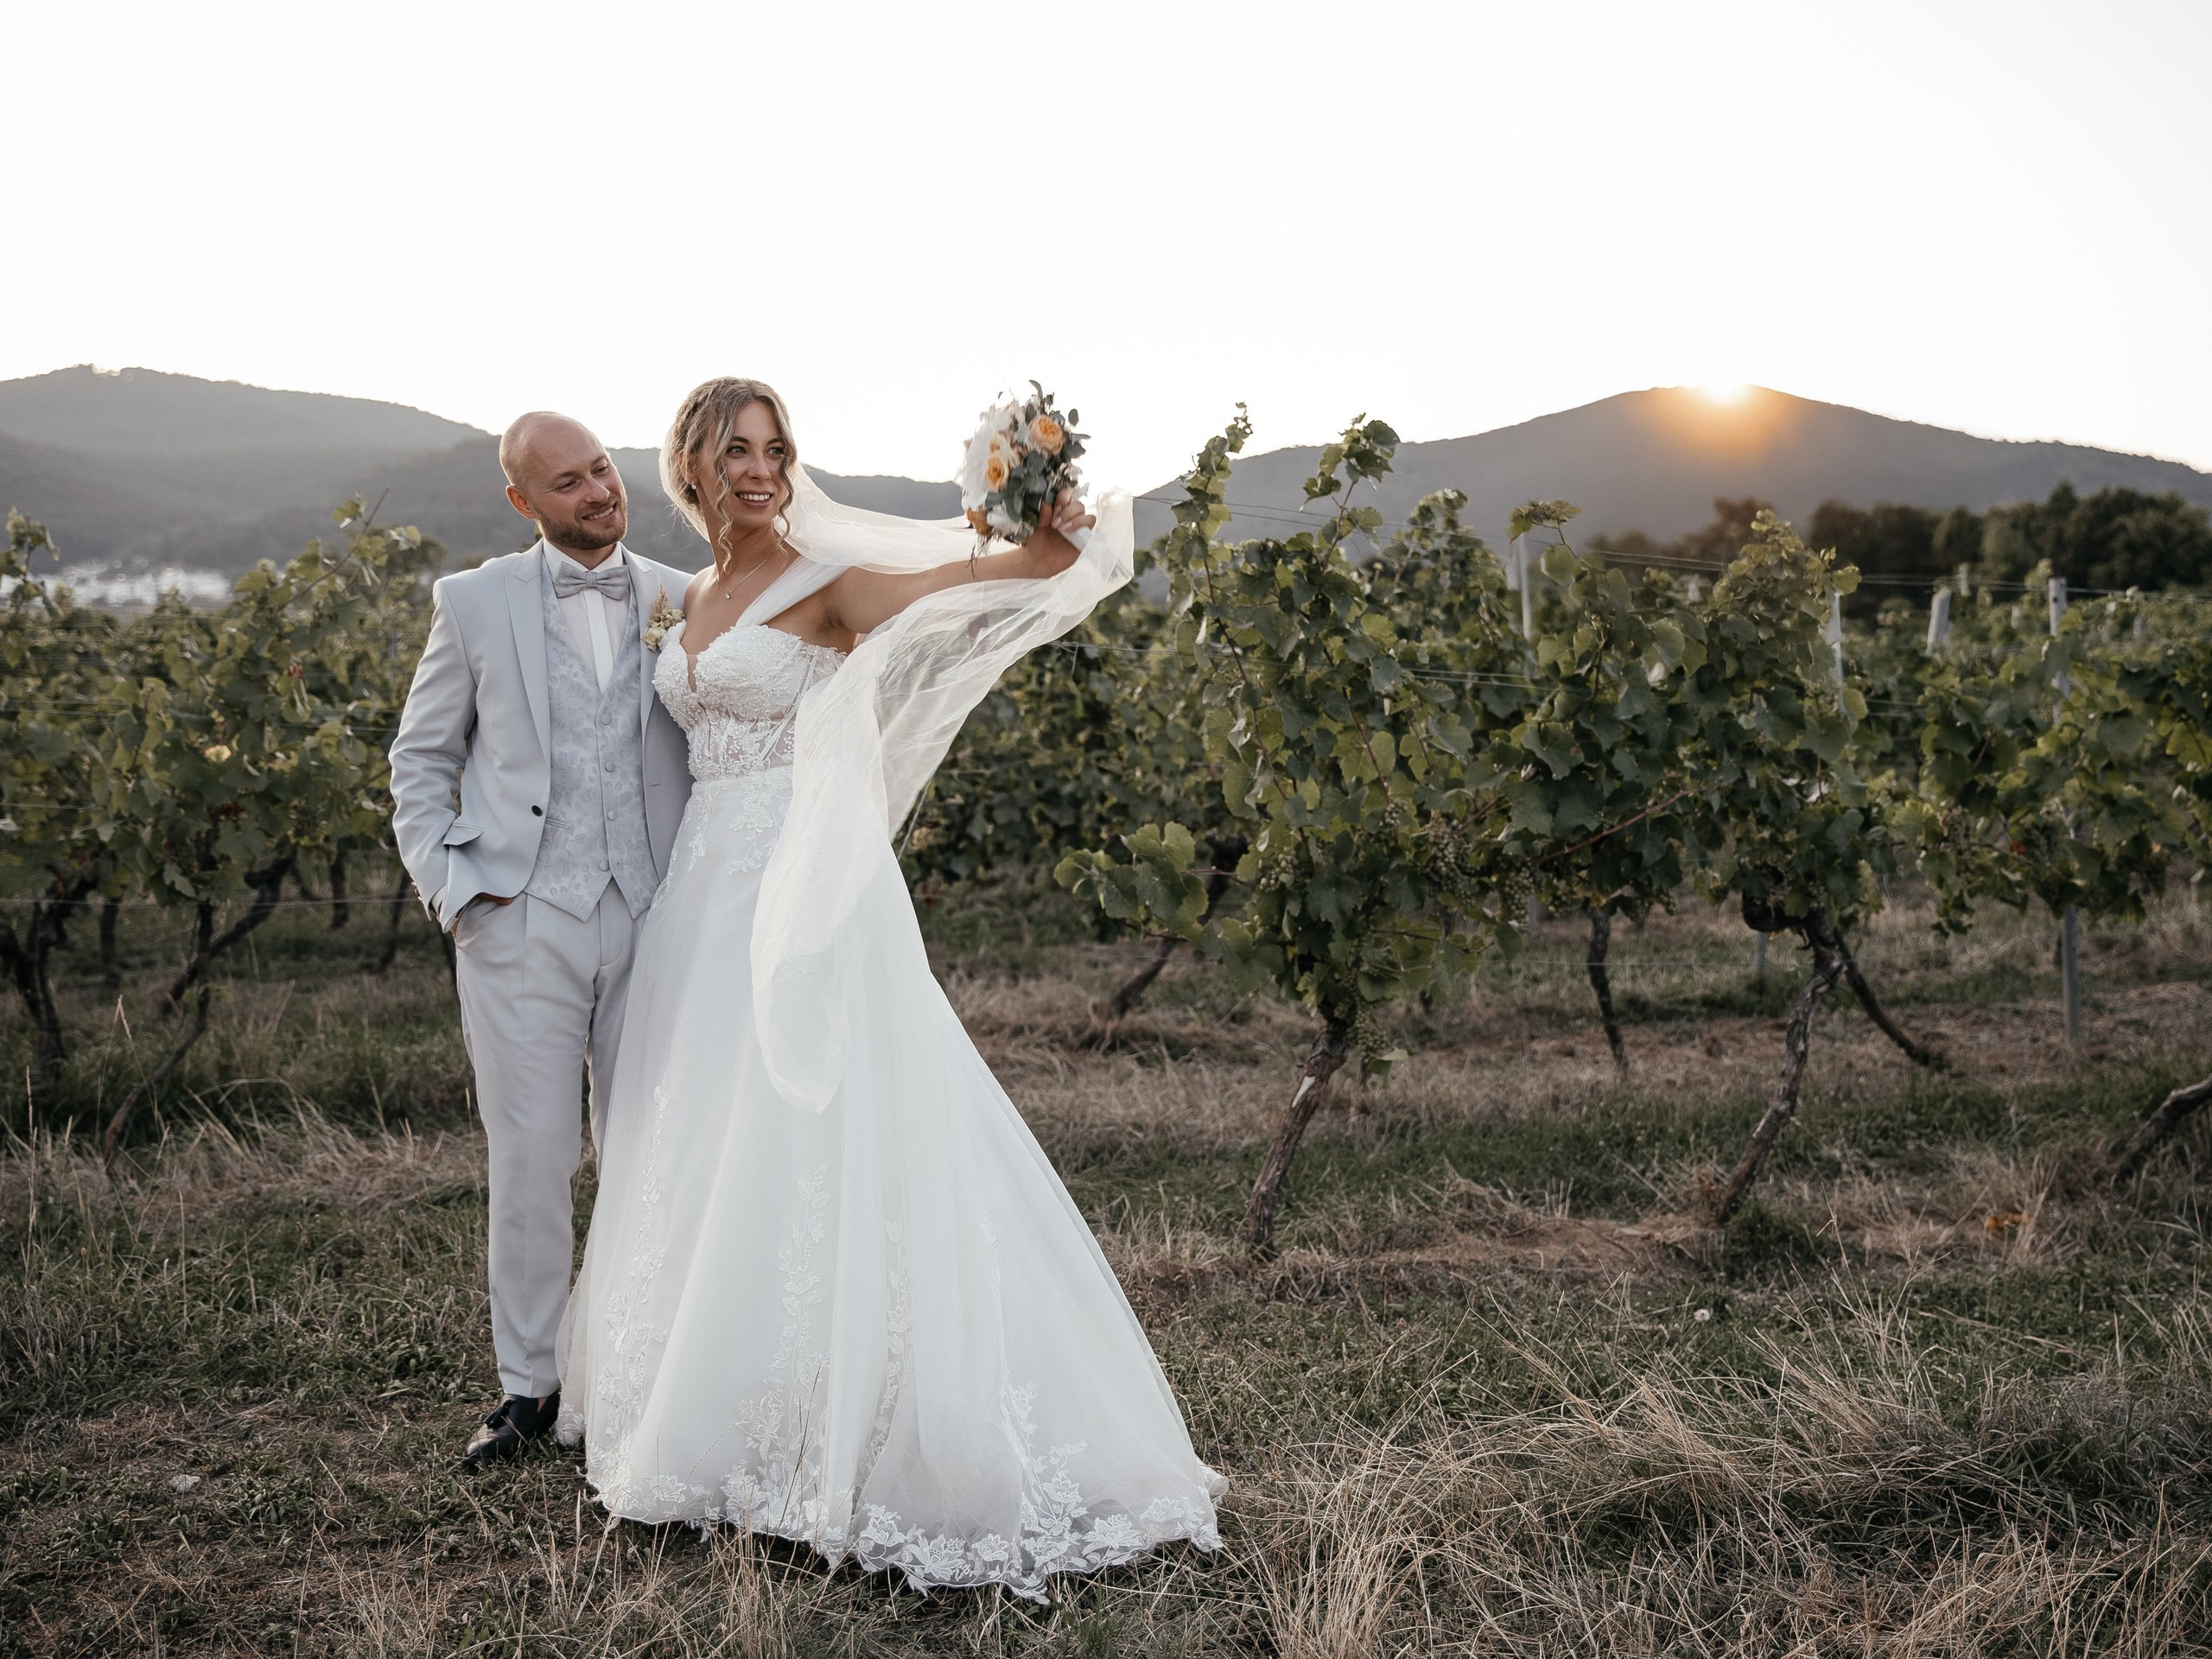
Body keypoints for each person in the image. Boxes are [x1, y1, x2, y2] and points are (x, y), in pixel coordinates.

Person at [556, 378, 1224, 1601]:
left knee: (827, 1130)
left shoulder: (829, 583)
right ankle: (726, 1410)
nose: (759, 469)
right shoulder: (693, 596)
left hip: (805, 891)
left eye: (774, 449)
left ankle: (869, 1430)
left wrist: (1043, 535)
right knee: (709, 1133)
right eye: (733, 451)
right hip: (701, 903)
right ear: (690, 469)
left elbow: (963, 592)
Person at [387, 414, 695, 1466]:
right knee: (530, 1157)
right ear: (524, 502)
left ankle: (637, 1369)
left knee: (648, 1151)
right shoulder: (472, 603)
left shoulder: (681, 596)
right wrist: (456, 892)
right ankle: (528, 1386)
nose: (599, 492)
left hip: (655, 913)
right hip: (520, 918)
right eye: (568, 483)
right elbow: (420, 761)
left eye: (603, 469)